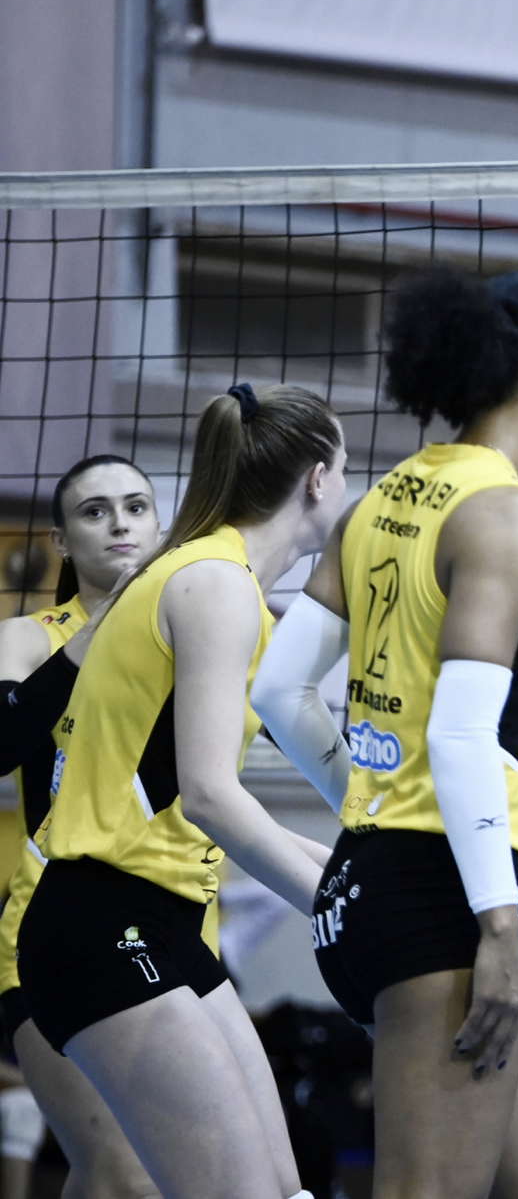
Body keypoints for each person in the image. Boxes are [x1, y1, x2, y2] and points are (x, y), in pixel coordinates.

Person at [252, 267, 518, 1199]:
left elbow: (280, 692)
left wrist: (369, 807)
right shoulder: (506, 512)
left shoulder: (376, 504)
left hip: (373, 884)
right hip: (447, 903)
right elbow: (458, 736)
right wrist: (498, 923)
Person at [16, 384, 348, 1199]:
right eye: (344, 468)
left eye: (135, 506)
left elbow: (203, 798)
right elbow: (208, 795)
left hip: (169, 921)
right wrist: (346, 914)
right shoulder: (211, 583)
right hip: (99, 917)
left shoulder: (233, 592)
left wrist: (358, 873)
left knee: (285, 1192)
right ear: (317, 479)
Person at [0, 455, 172, 1199]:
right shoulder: (28, 636)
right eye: (95, 512)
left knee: (146, 1174)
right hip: (54, 930)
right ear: (62, 542)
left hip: (177, 926)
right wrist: (100, 630)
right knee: (122, 1168)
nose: (120, 524)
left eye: (136, 506)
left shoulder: (194, 633)